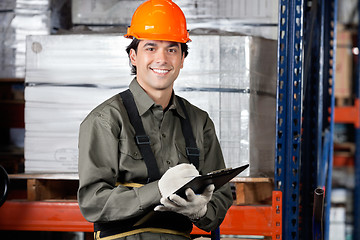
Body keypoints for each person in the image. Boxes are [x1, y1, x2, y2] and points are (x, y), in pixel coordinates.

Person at [77, 0, 233, 239]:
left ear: (182, 59)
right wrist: (159, 189)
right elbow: (93, 202)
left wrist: (200, 211)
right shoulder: (106, 120)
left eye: (171, 49)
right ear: (133, 56)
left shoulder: (199, 122)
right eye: (150, 48)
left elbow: (221, 196)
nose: (162, 59)